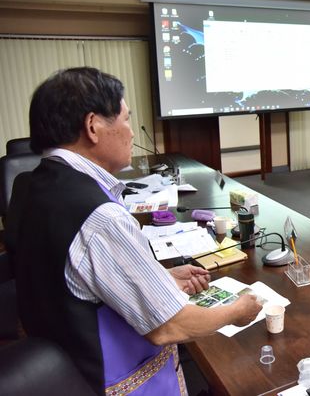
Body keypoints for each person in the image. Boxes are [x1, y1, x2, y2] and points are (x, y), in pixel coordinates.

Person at [8, 67, 262, 395]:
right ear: (93, 126)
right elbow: (169, 325)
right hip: (102, 376)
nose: (130, 132)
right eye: (126, 119)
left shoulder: (33, 184)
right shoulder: (101, 218)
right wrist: (237, 312)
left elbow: (73, 276)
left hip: (60, 361)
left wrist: (161, 279)